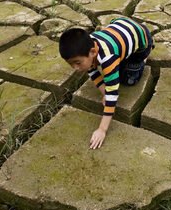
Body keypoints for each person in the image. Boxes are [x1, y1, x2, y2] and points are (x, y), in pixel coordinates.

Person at [59, 17, 154, 149]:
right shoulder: (89, 43)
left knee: (127, 80)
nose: (75, 68)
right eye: (71, 64)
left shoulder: (108, 58)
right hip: (121, 25)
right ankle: (125, 54)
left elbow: (113, 95)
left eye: (77, 63)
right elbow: (92, 71)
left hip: (142, 40)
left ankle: (142, 57)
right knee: (109, 72)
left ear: (92, 52)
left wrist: (102, 129)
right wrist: (104, 91)